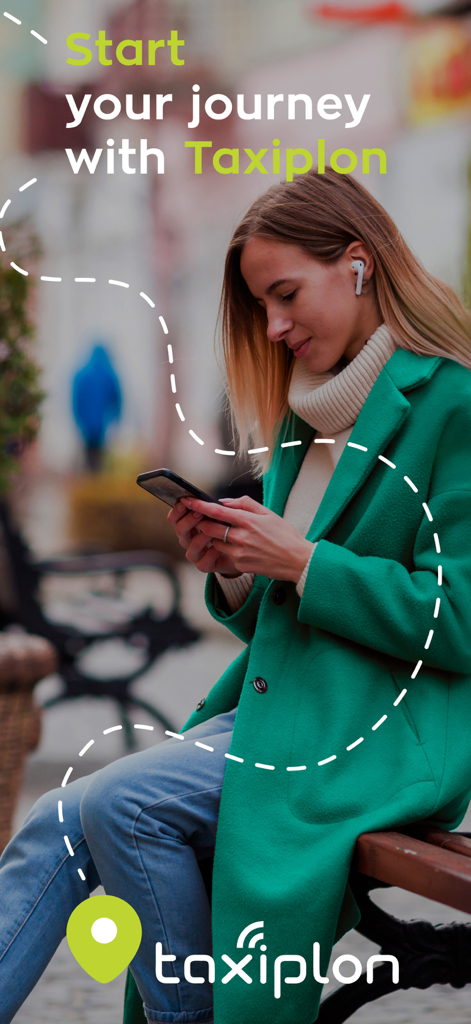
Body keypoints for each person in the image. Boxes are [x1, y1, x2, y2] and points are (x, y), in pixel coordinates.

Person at [1, 168, 471, 1024]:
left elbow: (461, 618)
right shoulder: (307, 417)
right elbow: (285, 617)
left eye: (285, 295)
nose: (275, 326)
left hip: (377, 738)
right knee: (58, 819)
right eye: (262, 306)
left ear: (359, 265)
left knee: (120, 802)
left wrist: (300, 561)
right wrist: (234, 569)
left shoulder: (454, 407)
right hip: (277, 715)